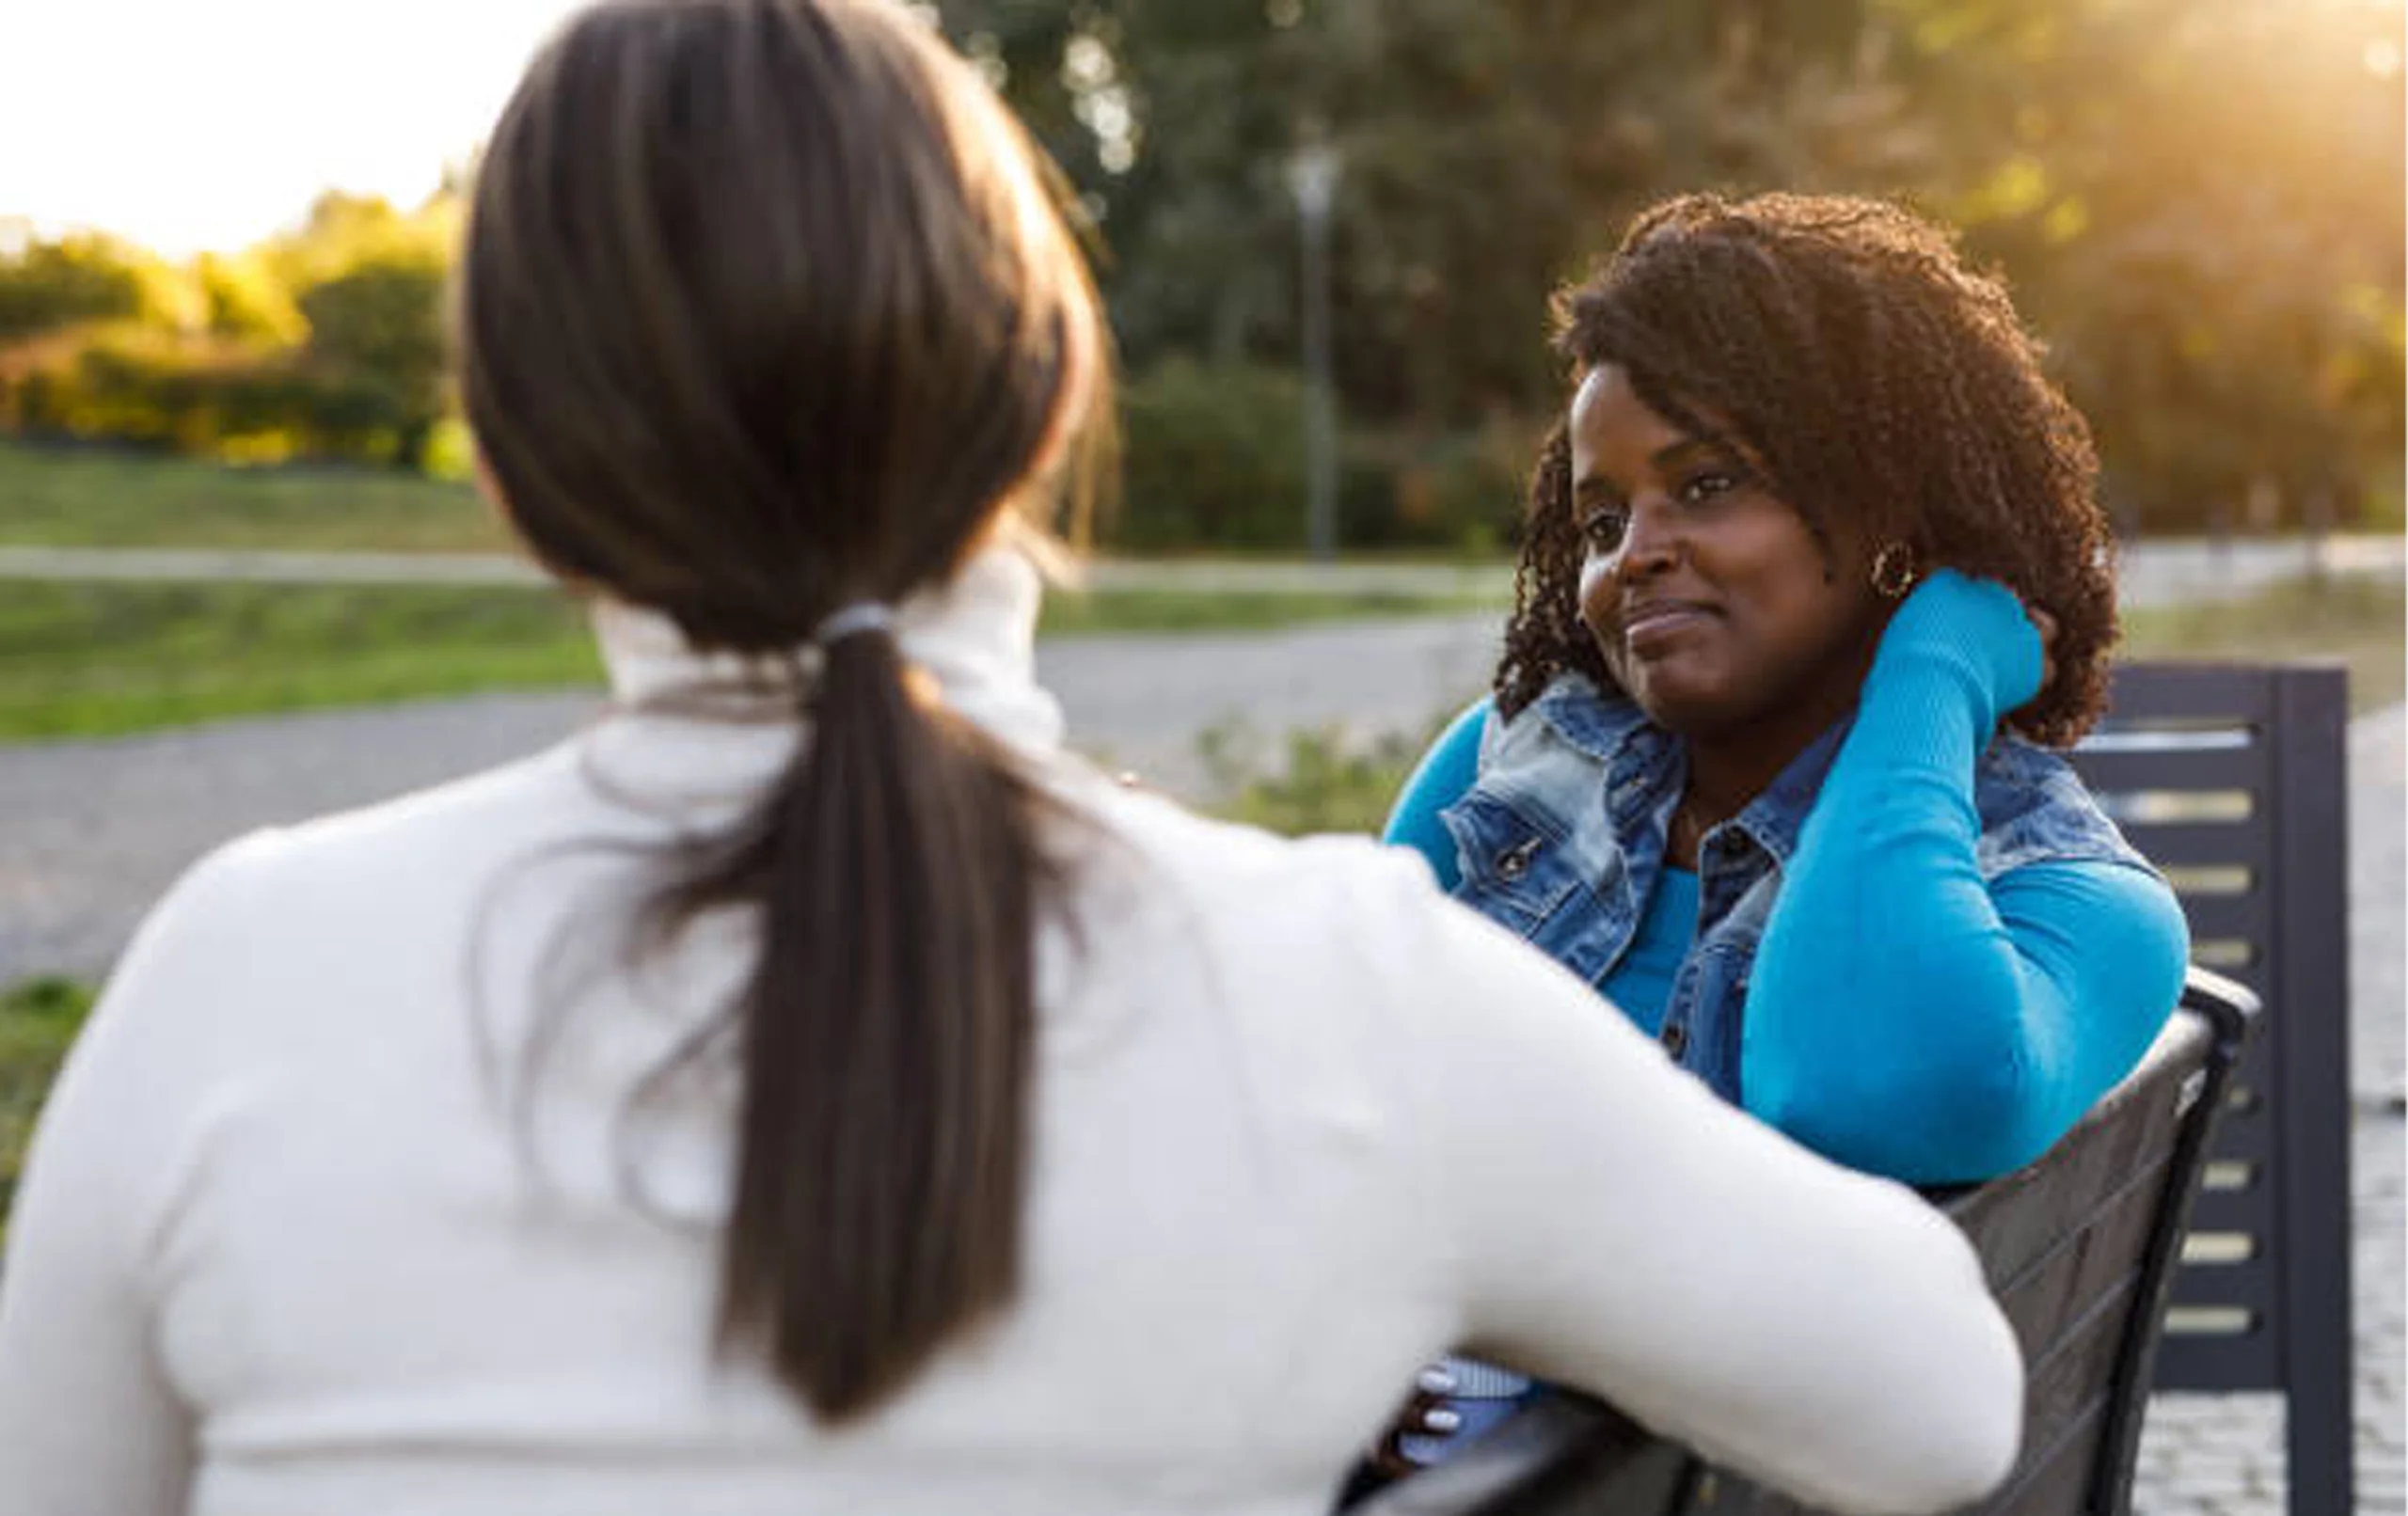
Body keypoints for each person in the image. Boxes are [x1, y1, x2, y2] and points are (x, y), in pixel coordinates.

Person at [0, 16, 2023, 1514]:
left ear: (519, 470)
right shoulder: (1335, 994)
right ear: (1044, 402)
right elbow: (1938, 1403)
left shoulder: (239, 972)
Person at [1377, 191, 2192, 1464]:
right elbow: (1322, 1095)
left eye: (1707, 486)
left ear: (1893, 514)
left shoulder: (2070, 899)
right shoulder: (1517, 765)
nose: (1635, 555)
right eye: (1602, 521)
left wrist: (1935, 669)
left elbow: (1857, 1088)